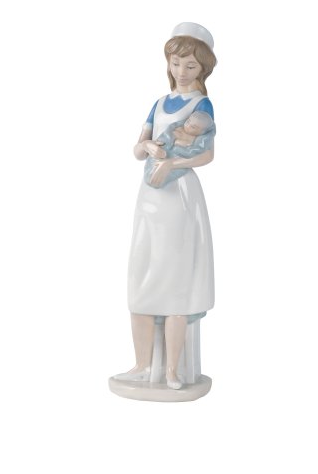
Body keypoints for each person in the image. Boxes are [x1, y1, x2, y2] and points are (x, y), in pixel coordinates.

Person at [114, 22, 217, 390]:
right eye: (176, 63)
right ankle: (143, 365)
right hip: (150, 194)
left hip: (179, 194)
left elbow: (207, 154)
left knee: (175, 275)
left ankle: (172, 370)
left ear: (203, 68)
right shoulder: (159, 103)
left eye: (190, 65)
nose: (182, 71)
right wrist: (147, 147)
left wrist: (173, 163)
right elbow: (137, 147)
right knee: (143, 272)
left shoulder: (201, 105)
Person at [144, 110, 215, 188]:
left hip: (179, 168)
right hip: (161, 152)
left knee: (158, 178)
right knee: (154, 167)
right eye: (188, 121)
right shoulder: (177, 127)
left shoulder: (197, 140)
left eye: (193, 127)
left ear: (201, 132)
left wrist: (177, 146)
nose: (187, 126)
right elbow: (164, 138)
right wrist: (146, 144)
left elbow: (196, 154)